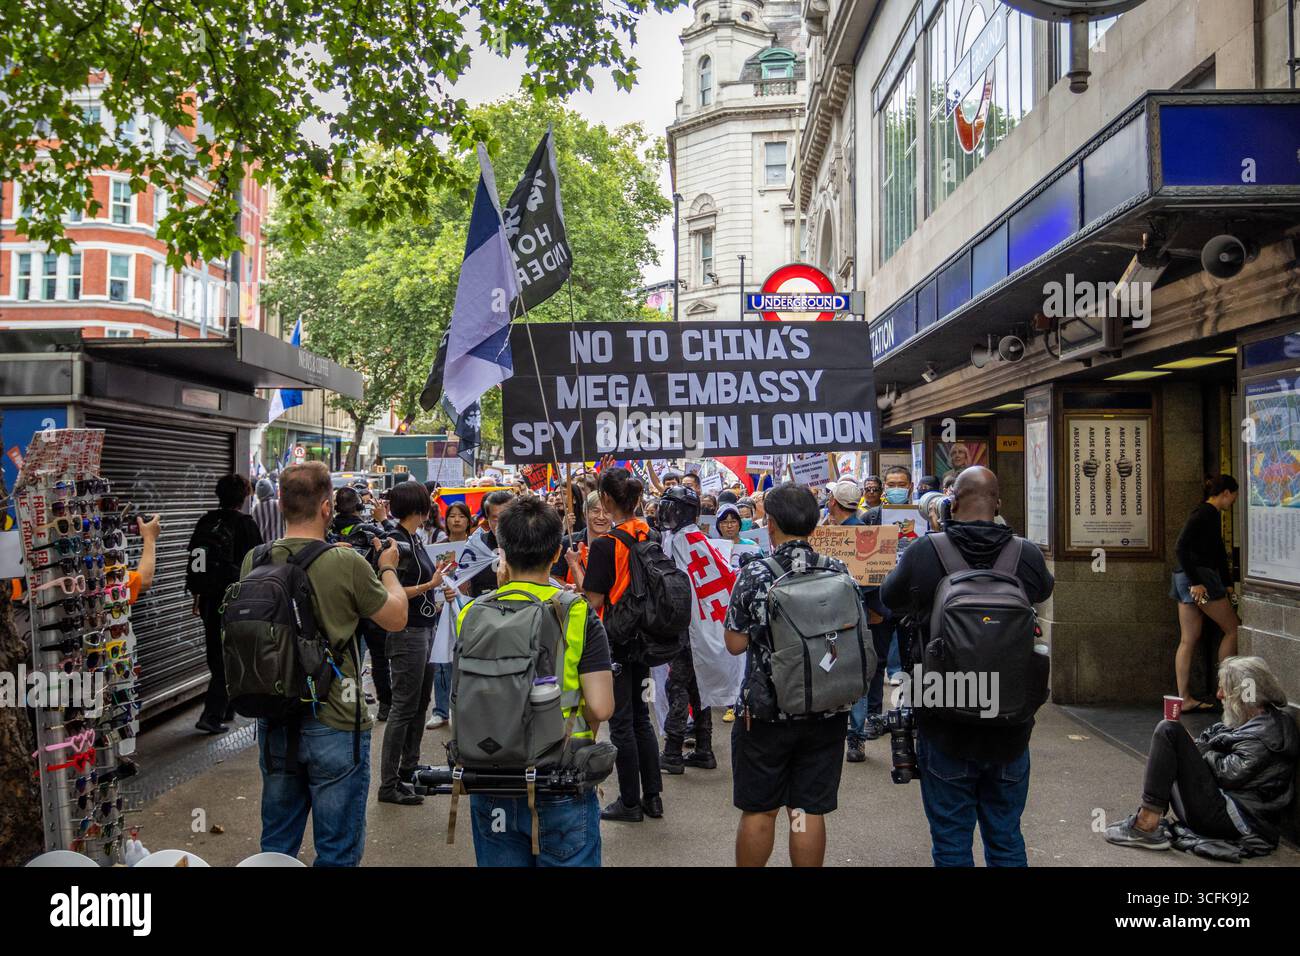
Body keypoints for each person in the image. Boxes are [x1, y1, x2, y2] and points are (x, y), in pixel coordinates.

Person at [880, 466, 1054, 867]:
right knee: (1007, 836)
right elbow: (1043, 589)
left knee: (951, 840)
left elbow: (890, 598)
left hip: (944, 719)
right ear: (999, 505)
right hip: (1010, 723)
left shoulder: (927, 551)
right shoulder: (1023, 553)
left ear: (951, 502)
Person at [247, 461, 408, 866]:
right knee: (337, 850)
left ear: (281, 503)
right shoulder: (345, 562)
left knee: (275, 846)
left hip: (274, 716)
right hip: (336, 719)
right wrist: (388, 568)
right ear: (326, 507)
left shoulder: (255, 559)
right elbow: (396, 618)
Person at [460, 496, 615, 866]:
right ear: (557, 550)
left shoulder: (471, 612)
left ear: (502, 550)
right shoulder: (576, 611)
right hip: (558, 774)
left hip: (490, 773)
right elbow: (601, 706)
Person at [723, 483, 852, 867]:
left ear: (771, 522)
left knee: (760, 810)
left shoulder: (756, 573)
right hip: (827, 704)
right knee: (806, 809)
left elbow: (734, 643)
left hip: (767, 711)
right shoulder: (838, 568)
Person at [1106, 656, 1298, 856]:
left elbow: (1229, 774)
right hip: (1222, 809)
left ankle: (1146, 824)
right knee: (1171, 737)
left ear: (1243, 694)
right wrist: (1191, 748)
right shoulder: (1246, 719)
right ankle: (1146, 819)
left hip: (1235, 819)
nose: (1219, 694)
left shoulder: (1267, 732)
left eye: (1225, 689)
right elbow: (1208, 739)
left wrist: (1199, 750)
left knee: (1168, 730)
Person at [581, 467, 664, 823]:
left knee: (621, 723)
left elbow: (595, 601)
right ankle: (654, 798)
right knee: (642, 720)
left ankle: (629, 802)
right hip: (646, 641)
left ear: (608, 501)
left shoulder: (604, 545)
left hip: (615, 643)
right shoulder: (651, 533)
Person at [377, 480, 455, 806]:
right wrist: (431, 584)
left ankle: (409, 768)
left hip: (423, 628)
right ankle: (389, 783)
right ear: (418, 507)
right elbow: (390, 591)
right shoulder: (396, 543)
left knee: (420, 703)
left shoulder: (415, 539)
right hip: (406, 633)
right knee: (404, 707)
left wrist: (437, 589)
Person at [186, 474, 263, 735]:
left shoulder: (206, 521)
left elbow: (196, 561)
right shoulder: (245, 525)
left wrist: (198, 594)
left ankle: (227, 707)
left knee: (216, 653)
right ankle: (211, 714)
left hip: (208, 599)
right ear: (244, 496)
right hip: (235, 600)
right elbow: (257, 565)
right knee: (229, 657)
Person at [659, 485, 720, 775]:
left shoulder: (684, 539)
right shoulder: (689, 537)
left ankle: (672, 751)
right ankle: (704, 748)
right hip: (696, 625)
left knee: (677, 686)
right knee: (698, 685)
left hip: (688, 627)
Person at [1171, 475, 1240, 711]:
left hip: (1184, 578)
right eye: (1234, 496)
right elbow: (1180, 546)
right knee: (1233, 629)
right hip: (1198, 579)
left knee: (1188, 639)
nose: (1234, 501)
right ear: (1226, 493)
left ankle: (1184, 699)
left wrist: (1227, 581)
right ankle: (1225, 689)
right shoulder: (1205, 514)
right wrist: (1197, 582)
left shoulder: (1205, 513)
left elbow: (1218, 551)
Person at [329, 486, 392, 719]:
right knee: (379, 658)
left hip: (341, 604)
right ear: (359, 506)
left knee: (348, 660)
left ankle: (351, 705)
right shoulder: (370, 530)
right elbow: (397, 542)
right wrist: (383, 521)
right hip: (370, 601)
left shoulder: (328, 532)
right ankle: (386, 704)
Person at [426, 501, 473, 730]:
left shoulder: (476, 546)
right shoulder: (439, 547)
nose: (456, 520)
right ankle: (440, 710)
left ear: (468, 520)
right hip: (442, 609)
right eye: (452, 516)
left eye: (461, 516)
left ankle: (463, 709)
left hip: (468, 608)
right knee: (442, 659)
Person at [552, 490, 611, 588]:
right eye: (595, 511)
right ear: (585, 513)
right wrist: (568, 587)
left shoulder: (618, 544)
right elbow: (553, 577)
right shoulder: (567, 542)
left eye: (607, 512)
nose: (601, 517)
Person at [464, 490, 513, 599]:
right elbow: (461, 583)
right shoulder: (475, 546)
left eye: (506, 518)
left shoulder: (528, 544)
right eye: (495, 519)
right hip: (484, 609)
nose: (501, 524)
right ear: (487, 519)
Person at [252, 477, 285, 545]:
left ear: (258, 494)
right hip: (280, 546)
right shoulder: (279, 504)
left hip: (264, 548)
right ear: (270, 490)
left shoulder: (255, 509)